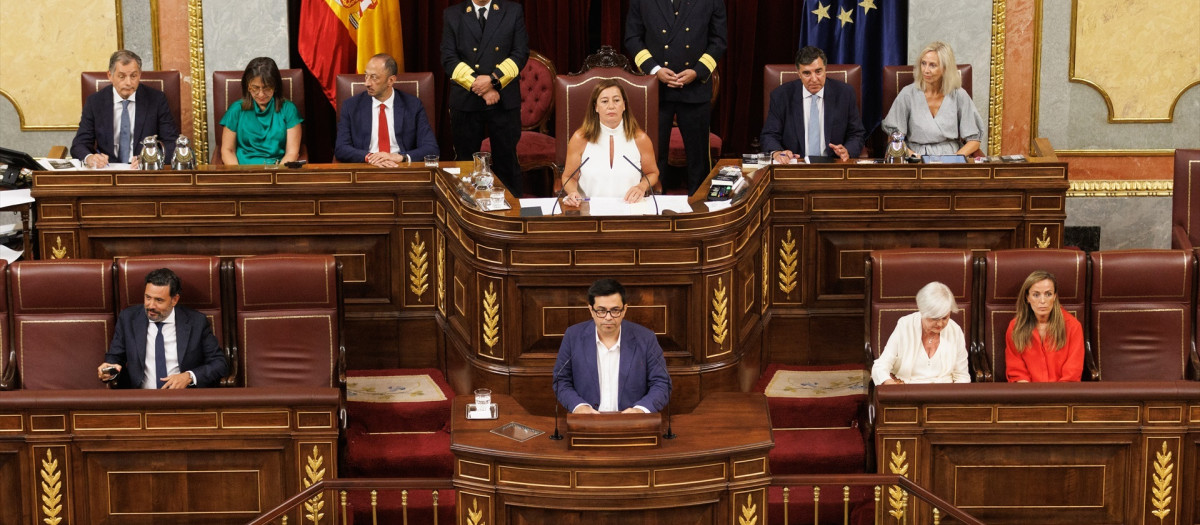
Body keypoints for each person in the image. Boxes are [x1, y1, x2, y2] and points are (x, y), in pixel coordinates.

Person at [625, 0, 727, 195]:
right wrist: (654, 70)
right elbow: (632, 38)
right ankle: (652, 209)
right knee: (653, 156)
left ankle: (698, 210)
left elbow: (719, 41)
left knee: (698, 160)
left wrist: (697, 72)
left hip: (695, 89)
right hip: (657, 89)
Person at [441, 0, 529, 195]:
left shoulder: (512, 11)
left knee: (507, 164)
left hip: (503, 100)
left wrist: (493, 81)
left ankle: (511, 218)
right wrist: (482, 87)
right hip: (466, 100)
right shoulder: (452, 14)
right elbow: (448, 58)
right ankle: (466, 217)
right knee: (465, 165)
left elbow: (520, 53)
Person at [553, 278, 672, 413]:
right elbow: (561, 380)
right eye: (601, 311)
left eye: (615, 310)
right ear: (591, 310)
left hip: (632, 423)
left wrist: (639, 411)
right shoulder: (573, 336)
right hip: (587, 422)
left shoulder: (645, 338)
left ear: (624, 309)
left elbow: (661, 383)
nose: (608, 317)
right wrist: (579, 407)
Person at [98, 268, 227, 389]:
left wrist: (189, 377)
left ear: (174, 300)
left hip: (183, 398)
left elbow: (219, 364)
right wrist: (110, 369)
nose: (150, 305)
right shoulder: (128, 319)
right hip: (140, 399)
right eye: (148, 297)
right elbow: (114, 358)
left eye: (159, 300)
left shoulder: (196, 322)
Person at [72, 50, 179, 169]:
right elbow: (79, 144)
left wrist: (151, 158)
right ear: (110, 76)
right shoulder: (95, 102)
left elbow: (172, 143)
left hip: (144, 172)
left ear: (140, 75)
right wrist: (90, 158)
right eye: (121, 76)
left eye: (133, 76)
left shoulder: (156, 100)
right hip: (108, 170)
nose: (128, 83)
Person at [560, 80, 660, 206]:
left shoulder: (640, 139)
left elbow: (652, 173)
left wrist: (641, 186)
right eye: (605, 101)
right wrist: (573, 192)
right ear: (596, 107)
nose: (611, 106)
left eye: (616, 100)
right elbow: (568, 177)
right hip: (590, 211)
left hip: (630, 209)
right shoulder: (580, 139)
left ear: (624, 105)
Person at [761, 46, 866, 163]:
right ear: (799, 73)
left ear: (825, 69)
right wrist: (777, 153)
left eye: (818, 71)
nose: (814, 79)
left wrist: (847, 150)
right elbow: (769, 135)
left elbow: (856, 133)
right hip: (796, 165)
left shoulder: (845, 93)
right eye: (807, 73)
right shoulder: (781, 96)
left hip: (833, 164)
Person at [881, 41, 985, 157]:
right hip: (914, 156)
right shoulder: (907, 94)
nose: (926, 70)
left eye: (932, 65)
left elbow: (974, 141)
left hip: (951, 156)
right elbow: (894, 140)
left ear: (945, 68)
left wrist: (955, 159)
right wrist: (915, 157)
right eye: (923, 63)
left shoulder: (959, 95)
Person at [335, 54, 439, 166]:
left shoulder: (413, 105)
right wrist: (369, 157)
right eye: (366, 76)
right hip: (366, 167)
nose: (367, 83)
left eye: (374, 77)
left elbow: (431, 148)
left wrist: (400, 157)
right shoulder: (351, 106)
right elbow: (341, 148)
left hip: (401, 167)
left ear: (391, 80)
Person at [871, 282, 970, 385]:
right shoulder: (905, 325)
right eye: (935, 318)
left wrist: (953, 396)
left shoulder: (955, 330)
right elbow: (880, 366)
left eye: (945, 317)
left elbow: (962, 376)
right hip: (908, 392)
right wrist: (890, 384)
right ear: (923, 312)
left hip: (944, 394)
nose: (940, 324)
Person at [219, 57, 303, 165]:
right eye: (255, 88)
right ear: (248, 86)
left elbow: (292, 153)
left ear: (275, 86)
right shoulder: (236, 110)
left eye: (267, 88)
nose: (261, 94)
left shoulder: (289, 110)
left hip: (276, 171)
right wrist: (240, 176)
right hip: (242, 171)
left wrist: (277, 175)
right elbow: (227, 150)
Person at [1005, 270, 1084, 382]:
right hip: (1028, 394)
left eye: (1048, 294)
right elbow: (1016, 371)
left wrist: (1054, 397)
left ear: (1055, 296)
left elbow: (1072, 373)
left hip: (1063, 394)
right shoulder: (1015, 327)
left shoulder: (1073, 326)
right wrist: (1030, 397)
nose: (1042, 301)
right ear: (1027, 297)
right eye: (1036, 295)